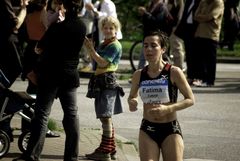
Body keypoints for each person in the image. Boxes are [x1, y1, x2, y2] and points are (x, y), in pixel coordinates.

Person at [13, 0, 86, 160]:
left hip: (51, 76)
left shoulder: (57, 28)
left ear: (64, 7)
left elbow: (39, 47)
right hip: (70, 76)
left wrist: (51, 23)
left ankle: (32, 155)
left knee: (42, 115)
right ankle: (71, 156)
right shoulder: (82, 26)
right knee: (72, 115)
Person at [128, 30, 195, 161]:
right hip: (147, 128)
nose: (148, 49)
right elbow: (132, 97)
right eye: (145, 45)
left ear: (163, 49)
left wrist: (168, 109)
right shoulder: (139, 74)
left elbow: (190, 99)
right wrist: (132, 102)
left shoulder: (174, 72)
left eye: (154, 45)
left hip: (170, 128)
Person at [84, 16, 124, 161]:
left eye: (111, 28)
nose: (108, 30)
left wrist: (90, 49)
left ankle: (105, 151)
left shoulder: (115, 45)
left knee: (106, 116)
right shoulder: (104, 43)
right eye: (105, 27)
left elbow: (102, 63)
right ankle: (110, 148)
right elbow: (93, 60)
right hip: (100, 82)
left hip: (108, 82)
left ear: (116, 30)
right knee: (104, 116)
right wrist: (91, 49)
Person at [0, 0, 29, 142]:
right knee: (3, 94)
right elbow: (15, 23)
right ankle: (4, 127)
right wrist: (24, 9)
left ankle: (5, 127)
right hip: (7, 57)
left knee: (2, 94)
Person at [192, 0, 224, 87]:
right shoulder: (202, 2)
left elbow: (212, 16)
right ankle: (202, 79)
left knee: (210, 59)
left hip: (211, 35)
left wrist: (201, 17)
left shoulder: (218, 2)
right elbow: (195, 16)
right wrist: (204, 18)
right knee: (200, 59)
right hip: (200, 33)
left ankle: (210, 80)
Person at [137, 0, 173, 69]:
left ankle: (164, 72)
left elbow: (157, 21)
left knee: (158, 57)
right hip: (148, 35)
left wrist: (145, 13)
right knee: (144, 56)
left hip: (156, 36)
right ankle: (141, 74)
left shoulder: (161, 7)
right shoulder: (151, 5)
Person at [174, 0, 201, 85]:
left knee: (197, 55)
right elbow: (185, 15)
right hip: (188, 29)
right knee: (189, 55)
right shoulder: (189, 1)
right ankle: (190, 76)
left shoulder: (200, 1)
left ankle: (198, 77)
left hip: (197, 29)